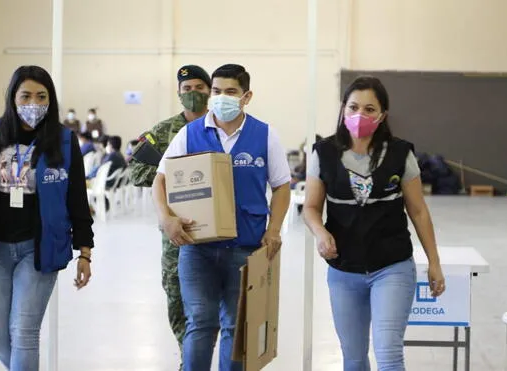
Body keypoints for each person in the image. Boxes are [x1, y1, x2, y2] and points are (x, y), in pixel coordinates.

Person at [0, 65, 94, 371]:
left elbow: (77, 199)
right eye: (26, 95)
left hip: (39, 247)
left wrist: (85, 252)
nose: (34, 103)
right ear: (12, 98)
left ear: (50, 101)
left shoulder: (64, 141)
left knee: (24, 334)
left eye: (42, 97)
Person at [152, 64, 291, 371]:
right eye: (216, 91)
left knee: (235, 326)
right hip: (197, 247)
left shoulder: (265, 135)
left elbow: (282, 186)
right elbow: (159, 180)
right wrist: (166, 218)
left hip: (245, 247)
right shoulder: (190, 133)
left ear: (246, 96)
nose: (221, 98)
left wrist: (274, 229)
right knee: (200, 323)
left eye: (230, 92)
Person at [301, 76, 445, 371]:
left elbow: (418, 211)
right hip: (344, 271)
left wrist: (434, 261)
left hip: (391, 266)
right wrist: (320, 232)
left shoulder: (400, 154)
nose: (360, 115)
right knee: (353, 359)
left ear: (382, 116)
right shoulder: (323, 153)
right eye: (353, 107)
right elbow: (312, 208)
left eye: (369, 109)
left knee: (389, 353)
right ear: (343, 109)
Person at [129, 64, 211, 367]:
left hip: (222, 229)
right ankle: (187, 358)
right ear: (179, 93)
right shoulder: (163, 131)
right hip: (177, 228)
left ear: (209, 90)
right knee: (177, 296)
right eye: (187, 89)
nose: (193, 94)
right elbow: (136, 170)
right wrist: (178, 176)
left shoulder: (223, 127)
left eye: (199, 88)